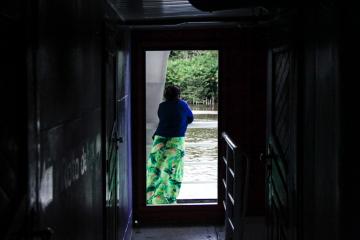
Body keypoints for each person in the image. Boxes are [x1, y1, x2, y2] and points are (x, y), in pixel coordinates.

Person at [146, 85, 194, 204]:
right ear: (178, 94)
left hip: (160, 139)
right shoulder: (183, 105)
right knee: (172, 171)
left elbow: (162, 118)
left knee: (155, 169)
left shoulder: (162, 106)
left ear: (165, 95)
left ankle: (151, 199)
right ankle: (169, 200)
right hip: (176, 141)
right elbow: (190, 118)